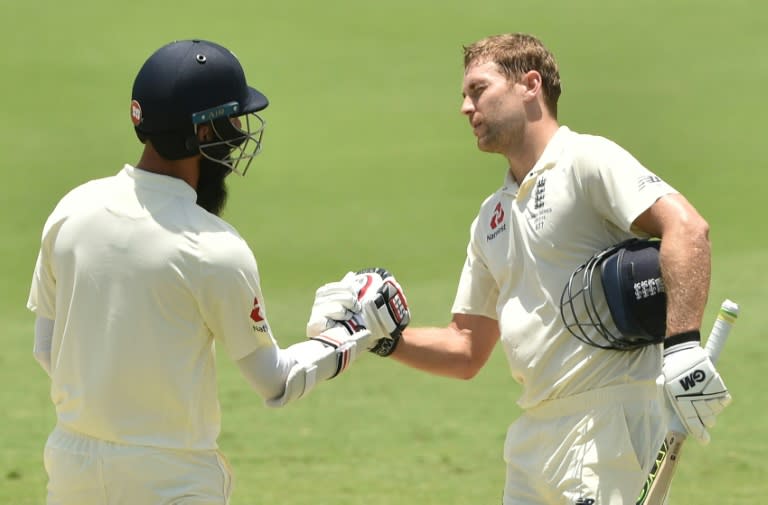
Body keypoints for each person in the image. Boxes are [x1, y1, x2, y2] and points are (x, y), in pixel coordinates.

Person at [309, 33, 731, 504]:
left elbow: (688, 229)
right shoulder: (491, 217)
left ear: (530, 85)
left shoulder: (585, 160)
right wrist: (384, 339)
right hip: (534, 437)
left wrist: (683, 350)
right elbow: (467, 348)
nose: (466, 108)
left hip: (608, 424)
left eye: (478, 90)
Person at [26, 39, 408, 505]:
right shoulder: (213, 248)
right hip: (171, 478)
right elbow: (276, 381)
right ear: (203, 134)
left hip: (71, 469)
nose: (240, 136)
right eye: (233, 122)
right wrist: (357, 331)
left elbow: (47, 348)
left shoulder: (72, 208)